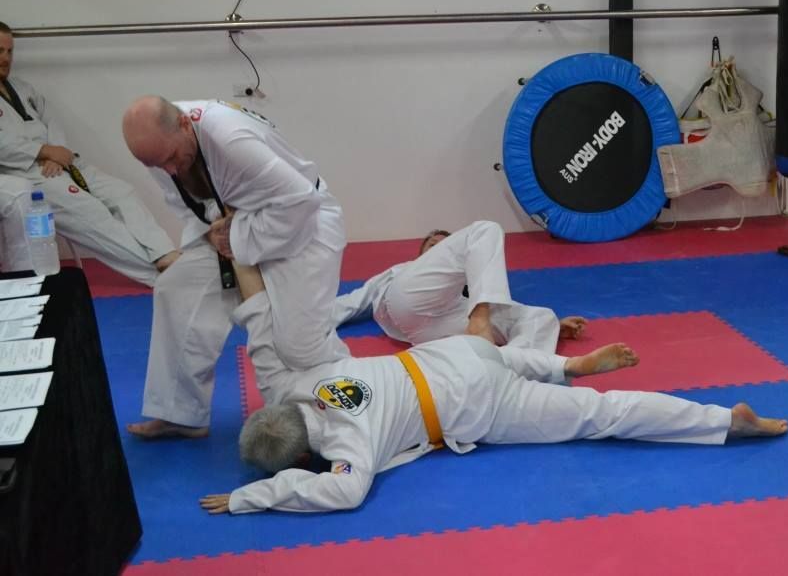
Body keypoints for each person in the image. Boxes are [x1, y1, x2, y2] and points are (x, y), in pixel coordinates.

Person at [198, 260, 788, 515]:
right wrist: (239, 254)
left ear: (303, 456)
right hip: (457, 353)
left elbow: (343, 494)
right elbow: (258, 323)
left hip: (472, 407)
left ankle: (720, 421)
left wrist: (258, 496)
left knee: (600, 415)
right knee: (518, 361)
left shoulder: (348, 448)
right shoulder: (298, 383)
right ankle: (557, 363)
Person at [121, 96, 349, 439]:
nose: (168, 170)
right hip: (235, 225)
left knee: (299, 345)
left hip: (304, 226)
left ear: (184, 124)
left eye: (170, 159)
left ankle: (350, 409)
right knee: (176, 288)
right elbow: (187, 205)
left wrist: (237, 236)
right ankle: (180, 412)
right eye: (156, 165)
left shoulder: (228, 137)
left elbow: (302, 201)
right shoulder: (161, 147)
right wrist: (214, 231)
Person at [331, 220, 636, 384]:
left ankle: (511, 374)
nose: (440, 248)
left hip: (442, 329)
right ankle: (484, 326)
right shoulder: (400, 274)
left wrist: (554, 327)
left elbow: (507, 308)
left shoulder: (472, 288)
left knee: (541, 316)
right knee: (485, 229)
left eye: (445, 245)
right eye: (433, 246)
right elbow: (350, 303)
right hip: (411, 307)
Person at [0, 22, 178, 283]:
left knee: (122, 191)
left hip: (61, 163)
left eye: (9, 51)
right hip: (30, 174)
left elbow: (51, 121)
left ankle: (166, 254)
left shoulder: (22, 88)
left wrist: (57, 153)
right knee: (94, 215)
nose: (5, 58)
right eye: (0, 51)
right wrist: (44, 151)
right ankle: (163, 278)